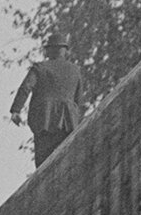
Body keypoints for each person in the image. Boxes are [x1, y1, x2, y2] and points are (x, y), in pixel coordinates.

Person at [9, 36, 85, 167]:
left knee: (43, 163)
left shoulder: (39, 68)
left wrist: (16, 110)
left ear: (49, 51)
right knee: (66, 161)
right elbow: (78, 100)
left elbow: (26, 87)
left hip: (44, 122)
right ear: (64, 51)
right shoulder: (75, 70)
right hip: (68, 123)